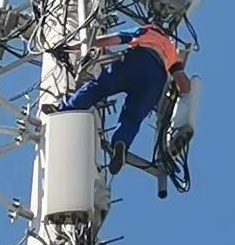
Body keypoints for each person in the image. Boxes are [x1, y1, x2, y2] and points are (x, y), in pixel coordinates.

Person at [42, 23, 191, 174]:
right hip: (156, 79)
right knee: (133, 117)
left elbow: (112, 39)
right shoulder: (171, 50)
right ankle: (121, 144)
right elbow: (183, 83)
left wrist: (73, 47)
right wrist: (184, 100)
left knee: (98, 87)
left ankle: (63, 110)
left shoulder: (146, 31)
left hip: (136, 60)